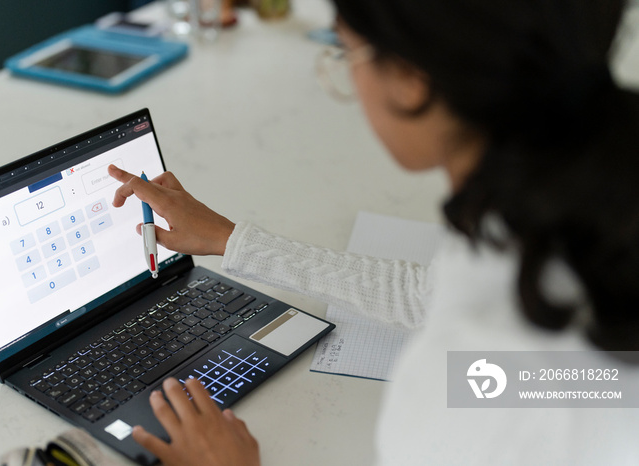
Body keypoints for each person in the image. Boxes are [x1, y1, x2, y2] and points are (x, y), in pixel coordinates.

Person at [107, 0, 639, 464]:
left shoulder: (485, 391)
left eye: (345, 50)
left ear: (412, 78)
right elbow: (424, 293)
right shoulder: (546, 211)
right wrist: (233, 240)